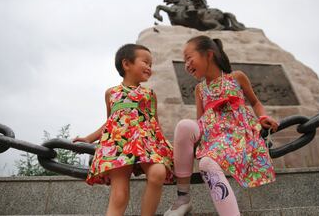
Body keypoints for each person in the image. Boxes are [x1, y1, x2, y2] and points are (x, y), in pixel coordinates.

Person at [164, 35, 278, 216]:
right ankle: (183, 198)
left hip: (236, 133)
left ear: (208, 55)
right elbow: (200, 120)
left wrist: (262, 116)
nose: (186, 64)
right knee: (185, 126)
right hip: (212, 133)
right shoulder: (200, 89)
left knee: (206, 164)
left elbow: (255, 102)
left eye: (188, 58)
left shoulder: (236, 77)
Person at [73, 44, 173, 216]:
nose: (149, 67)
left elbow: (155, 123)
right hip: (119, 145)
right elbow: (111, 122)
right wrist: (89, 138)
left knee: (158, 172)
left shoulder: (150, 94)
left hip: (146, 143)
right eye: (146, 62)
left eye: (151, 64)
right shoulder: (111, 93)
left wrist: (166, 146)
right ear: (126, 64)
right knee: (119, 194)